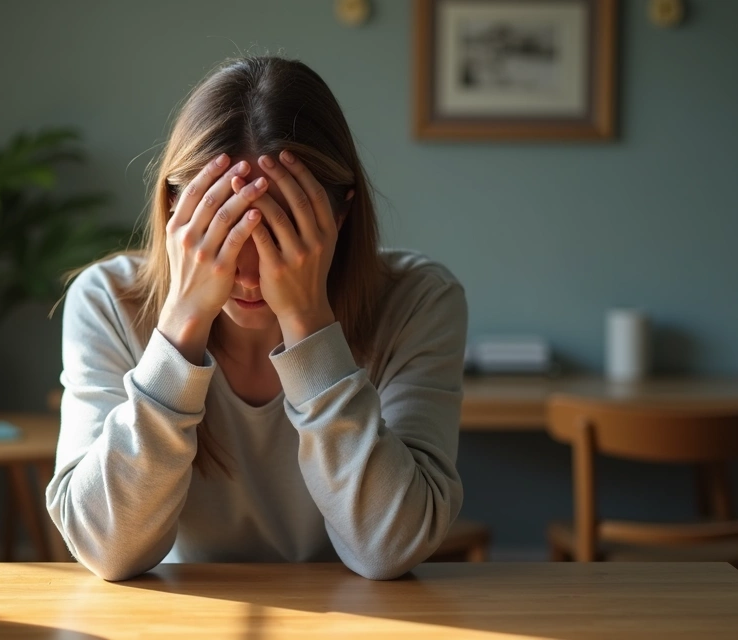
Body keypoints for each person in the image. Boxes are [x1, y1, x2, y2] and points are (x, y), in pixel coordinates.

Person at [45, 56, 467, 581]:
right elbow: (106, 547)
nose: (247, 277)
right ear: (176, 211)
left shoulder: (419, 301)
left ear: (340, 215)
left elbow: (391, 546)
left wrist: (310, 325)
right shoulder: (108, 300)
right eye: (224, 234)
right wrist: (180, 327)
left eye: (281, 234)